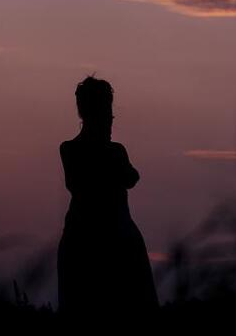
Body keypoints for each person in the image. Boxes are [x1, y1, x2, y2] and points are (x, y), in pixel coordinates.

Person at [58, 75, 159, 327]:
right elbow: (127, 177)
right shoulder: (81, 150)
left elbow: (129, 178)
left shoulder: (81, 150)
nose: (110, 120)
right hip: (101, 240)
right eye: (106, 112)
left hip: (106, 238)